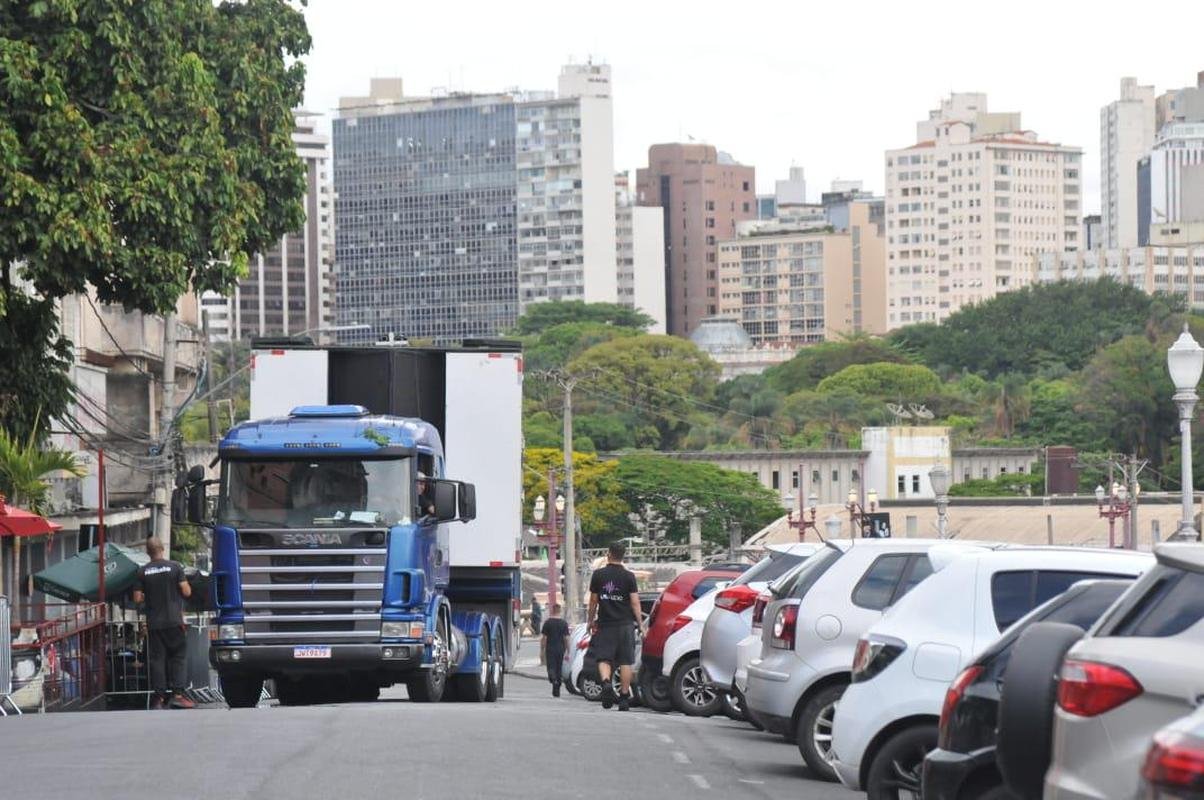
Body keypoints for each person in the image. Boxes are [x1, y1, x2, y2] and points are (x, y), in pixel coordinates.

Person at [132, 537, 194, 710]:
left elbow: (137, 598)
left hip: (154, 624)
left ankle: (158, 699)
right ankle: (178, 695)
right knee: (178, 657)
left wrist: (148, 596)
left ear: (148, 552)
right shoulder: (175, 567)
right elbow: (186, 591)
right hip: (174, 621)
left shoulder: (142, 571)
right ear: (162, 548)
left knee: (157, 660)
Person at [586, 542, 643, 711]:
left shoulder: (598, 575)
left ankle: (605, 683)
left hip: (605, 624)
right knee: (626, 661)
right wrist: (640, 624)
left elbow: (593, 601)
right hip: (625, 625)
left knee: (604, 658)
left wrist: (590, 620)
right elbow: (635, 602)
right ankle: (624, 698)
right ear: (623, 556)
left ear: (609, 554)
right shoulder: (629, 577)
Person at [539, 604, 569, 697]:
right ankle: (556, 690)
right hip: (561, 649)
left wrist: (542, 649)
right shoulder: (564, 623)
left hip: (550, 648)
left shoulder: (548, 623)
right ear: (560, 611)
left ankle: (553, 679)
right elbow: (566, 638)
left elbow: (544, 638)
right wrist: (568, 650)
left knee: (551, 667)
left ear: (552, 610)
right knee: (559, 668)